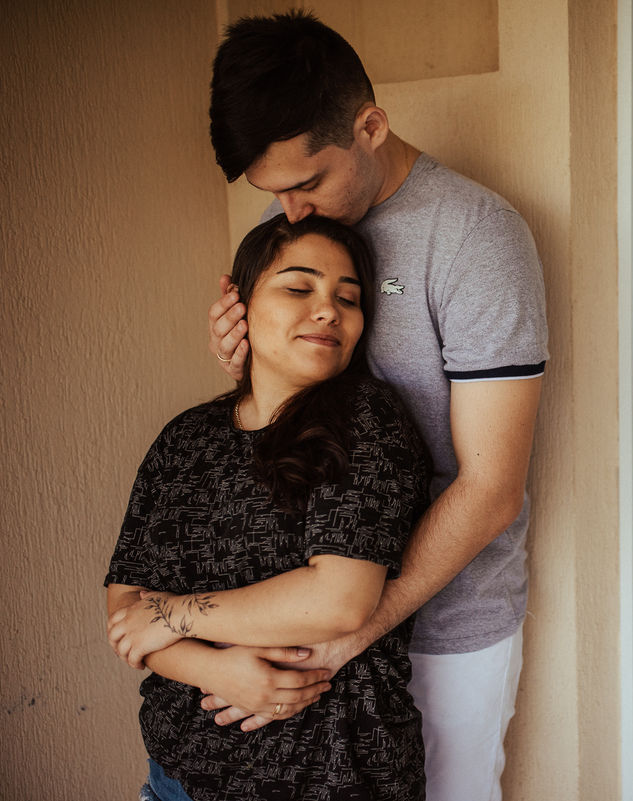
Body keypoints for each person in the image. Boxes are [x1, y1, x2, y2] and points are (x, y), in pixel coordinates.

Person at [202, 12, 547, 801]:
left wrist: (356, 627)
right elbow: (279, 424)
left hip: (439, 627)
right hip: (303, 607)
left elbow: (491, 488)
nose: (291, 212)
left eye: (307, 183)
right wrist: (246, 364)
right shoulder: (284, 229)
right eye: (272, 192)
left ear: (370, 127)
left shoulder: (476, 237)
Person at [105, 214, 430, 800]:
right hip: (176, 776)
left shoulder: (366, 420)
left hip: (327, 777)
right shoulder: (186, 437)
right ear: (239, 306)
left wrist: (172, 616)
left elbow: (338, 600)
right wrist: (213, 669)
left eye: (348, 298)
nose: (328, 311)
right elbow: (127, 609)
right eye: (299, 288)